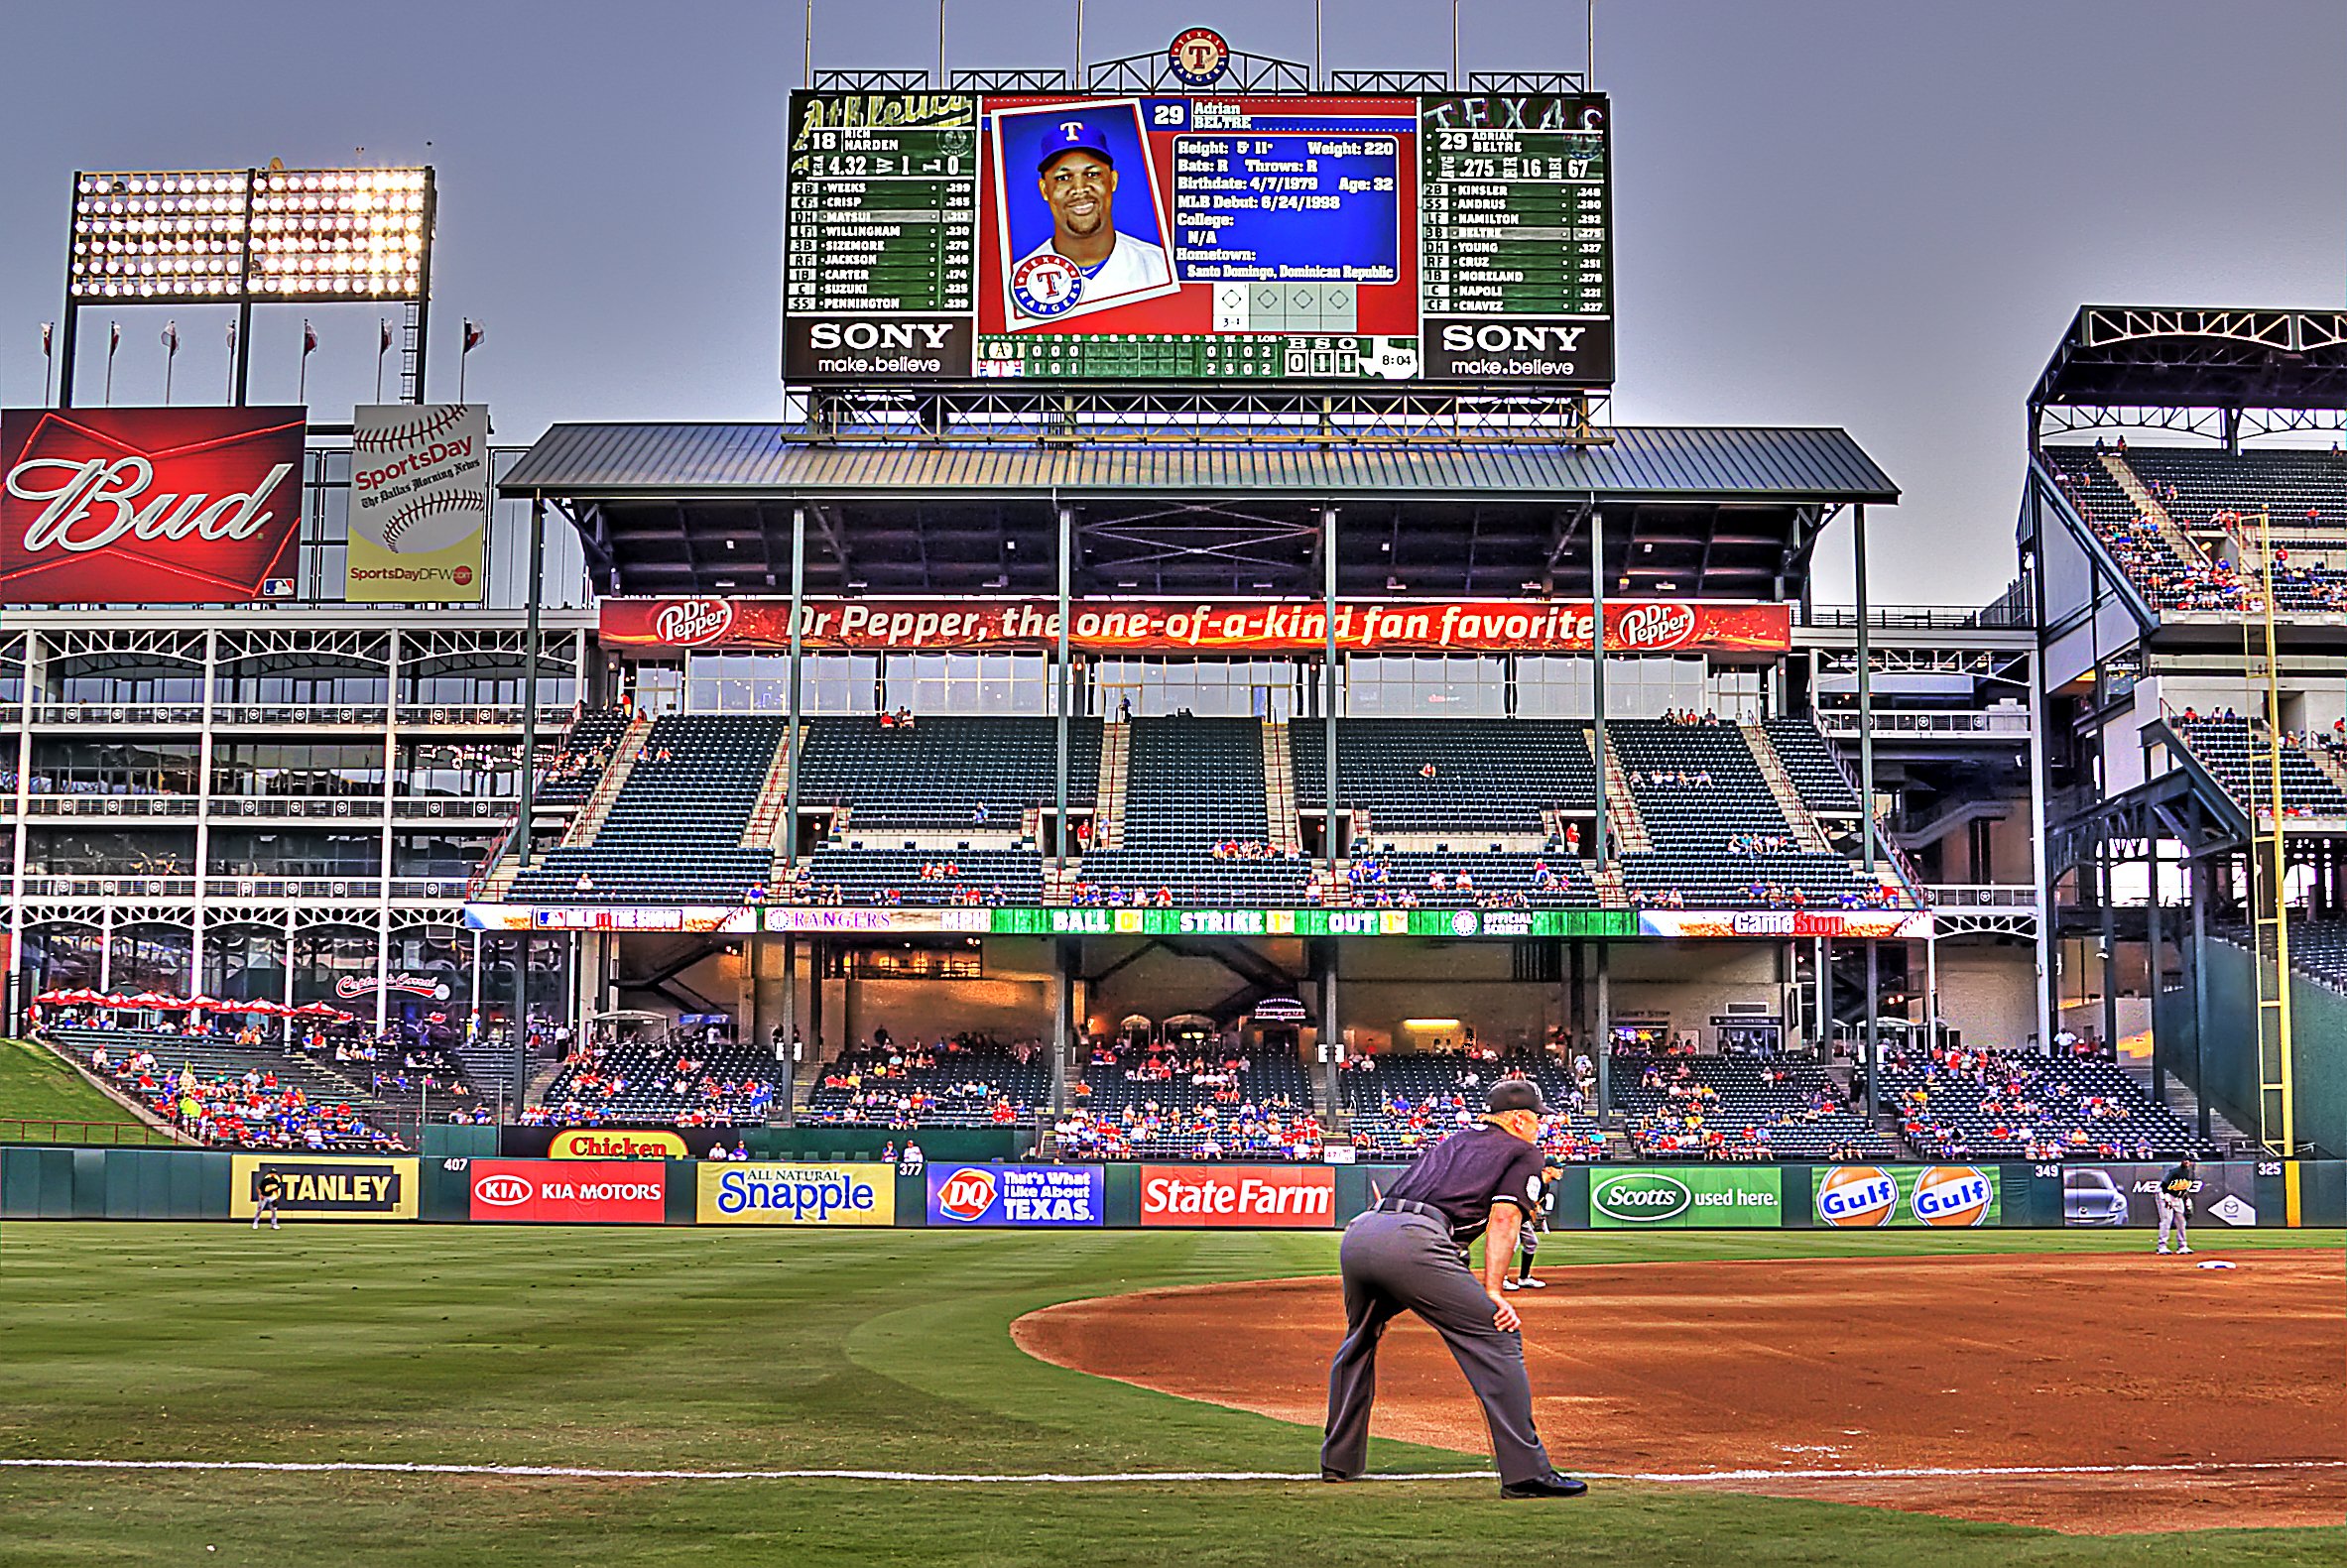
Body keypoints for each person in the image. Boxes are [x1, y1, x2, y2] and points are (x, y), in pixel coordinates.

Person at [1321, 1080, 1585, 1499]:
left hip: (1362, 1233)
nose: (1542, 1127)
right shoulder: (1523, 1151)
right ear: (1519, 1119)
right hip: (1414, 1241)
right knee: (1496, 1333)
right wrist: (1494, 1291)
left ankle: (1338, 1461)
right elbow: (1503, 1219)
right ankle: (1526, 1474)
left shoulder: (1454, 1140)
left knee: (1359, 1341)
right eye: (1539, 1118)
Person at [1009, 119, 1173, 319]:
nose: (1080, 189)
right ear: (1044, 189)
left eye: (1093, 174)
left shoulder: (1161, 268)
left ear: (1112, 181)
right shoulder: (1017, 281)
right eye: (1063, 178)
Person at [1503, 1160, 1561, 1292]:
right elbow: (1527, 1201)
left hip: (1521, 1216)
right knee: (1513, 1243)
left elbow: (1535, 1204)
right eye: (1558, 1168)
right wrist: (1535, 1215)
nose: (1561, 1171)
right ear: (1547, 1169)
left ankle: (1524, 1278)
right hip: (1511, 1212)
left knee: (1531, 1242)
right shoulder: (1535, 1180)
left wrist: (1538, 1214)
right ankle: (1501, 1278)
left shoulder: (1545, 1186)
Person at [2156, 1154, 2196, 1255]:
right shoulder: (2175, 1171)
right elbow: (2164, 1186)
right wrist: (2166, 1198)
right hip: (2166, 1195)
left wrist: (2186, 1199)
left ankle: (2182, 1245)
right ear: (2182, 1161)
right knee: (2167, 1220)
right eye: (2186, 1160)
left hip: (2177, 1198)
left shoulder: (2189, 1173)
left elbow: (2183, 1189)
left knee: (2181, 1221)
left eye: (2190, 1161)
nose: (2188, 1162)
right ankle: (2162, 1246)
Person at [251, 1166, 284, 1231]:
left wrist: (277, 1197)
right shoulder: (265, 1180)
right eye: (272, 1173)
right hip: (264, 1196)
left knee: (274, 1210)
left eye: (274, 1173)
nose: (273, 1174)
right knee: (259, 1210)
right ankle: (255, 1223)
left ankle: (274, 1224)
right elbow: (258, 1187)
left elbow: (277, 1189)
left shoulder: (275, 1180)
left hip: (271, 1196)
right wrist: (260, 1195)